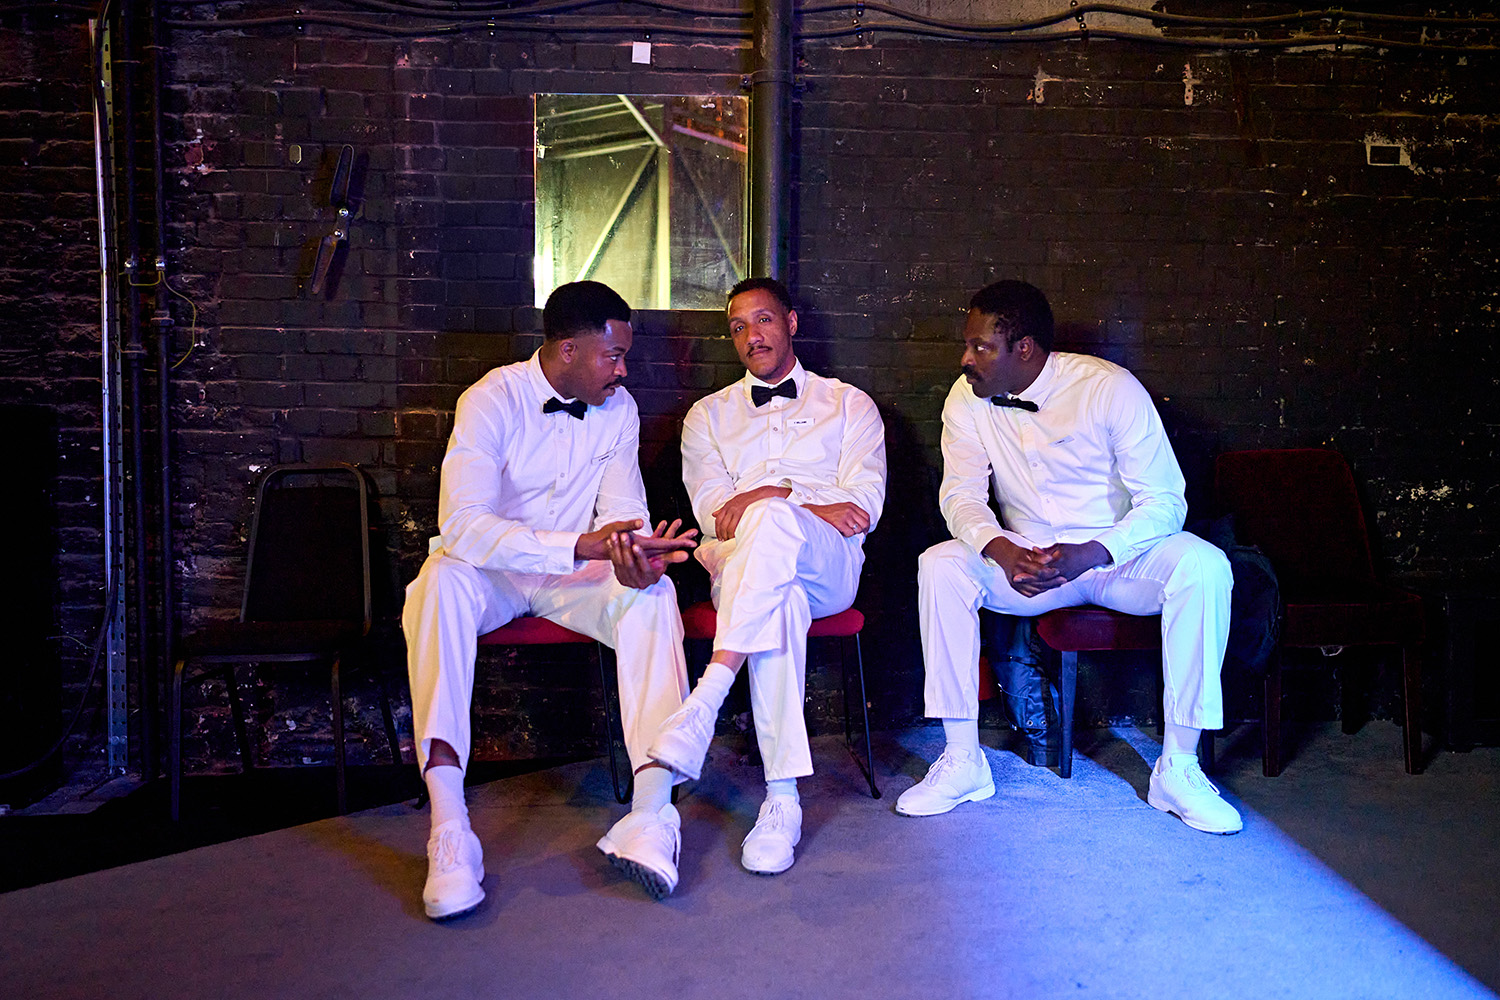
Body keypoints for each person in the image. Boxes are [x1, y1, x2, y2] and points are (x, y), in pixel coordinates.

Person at [900, 279, 1240, 835]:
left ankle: (1178, 768)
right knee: (938, 564)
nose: (965, 359)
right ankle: (963, 759)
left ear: (1025, 348)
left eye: (980, 347)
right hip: (1029, 565)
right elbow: (959, 495)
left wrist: (1097, 550)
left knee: (1205, 567)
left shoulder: (1109, 388)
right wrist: (1000, 547)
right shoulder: (965, 398)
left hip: (1117, 557)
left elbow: (1165, 500)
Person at [403, 280, 698, 917]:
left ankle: (651, 813)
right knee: (436, 586)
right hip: (493, 572)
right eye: (612, 356)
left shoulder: (619, 409)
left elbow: (621, 515)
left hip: (574, 574)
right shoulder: (490, 399)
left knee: (656, 596)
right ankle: (450, 828)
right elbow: (463, 527)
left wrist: (634, 556)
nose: (623, 370)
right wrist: (580, 546)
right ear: (566, 350)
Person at [646, 276, 887, 875]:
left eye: (764, 321)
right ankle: (782, 799)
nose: (751, 336)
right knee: (777, 596)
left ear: (792, 323)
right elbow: (715, 516)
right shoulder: (706, 417)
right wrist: (806, 502)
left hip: (829, 563)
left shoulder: (849, 404)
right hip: (745, 566)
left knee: (773, 521)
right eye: (737, 328)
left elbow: (863, 507)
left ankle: (709, 693)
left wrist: (773, 494)